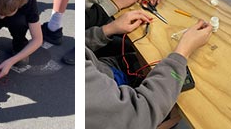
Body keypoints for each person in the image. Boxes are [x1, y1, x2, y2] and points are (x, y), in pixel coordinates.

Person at [85, 10, 213, 128]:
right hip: (126, 106)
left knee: (140, 59)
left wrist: (108, 29)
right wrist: (183, 51)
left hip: (105, 70)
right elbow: (138, 115)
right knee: (183, 107)